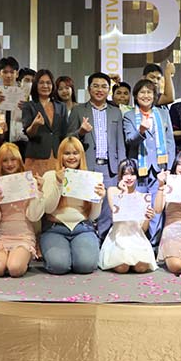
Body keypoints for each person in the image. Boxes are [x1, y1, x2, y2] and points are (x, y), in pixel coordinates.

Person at [68, 72, 126, 240]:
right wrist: (80, 132)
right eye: (96, 86)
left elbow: (120, 143)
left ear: (109, 90)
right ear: (89, 89)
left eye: (104, 86)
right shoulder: (78, 110)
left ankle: (104, 243)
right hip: (86, 166)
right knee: (85, 206)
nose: (100, 90)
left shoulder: (116, 112)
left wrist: (122, 170)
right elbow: (67, 139)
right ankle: (87, 240)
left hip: (110, 168)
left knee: (107, 209)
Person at [40, 137, 105, 274]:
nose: (71, 157)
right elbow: (48, 209)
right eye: (67, 153)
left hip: (83, 228)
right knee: (59, 266)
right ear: (60, 156)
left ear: (81, 156)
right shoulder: (50, 176)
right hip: (55, 228)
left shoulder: (89, 178)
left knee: (85, 265)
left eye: (75, 153)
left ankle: (75, 254)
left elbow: (93, 216)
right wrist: (59, 183)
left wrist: (98, 199)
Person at [122, 78, 176, 244]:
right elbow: (129, 141)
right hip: (138, 169)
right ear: (135, 96)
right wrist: (141, 130)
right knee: (138, 207)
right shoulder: (129, 116)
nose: (146, 96)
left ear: (154, 95)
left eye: (149, 92)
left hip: (159, 169)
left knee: (156, 208)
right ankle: (137, 242)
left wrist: (169, 167)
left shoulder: (163, 113)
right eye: (142, 92)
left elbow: (170, 141)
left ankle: (153, 244)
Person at [0, 143, 45, 277]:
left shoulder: (29, 182)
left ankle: (23, 256)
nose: (9, 164)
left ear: (19, 160)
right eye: (5, 160)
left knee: (15, 269)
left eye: (13, 159)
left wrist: (39, 191)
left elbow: (34, 216)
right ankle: (9, 257)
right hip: (1, 236)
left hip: (23, 236)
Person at [98, 159, 157, 273]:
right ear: (120, 176)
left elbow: (143, 229)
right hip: (119, 236)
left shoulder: (142, 197)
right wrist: (124, 193)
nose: (129, 178)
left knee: (141, 268)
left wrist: (147, 218)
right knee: (122, 268)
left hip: (136, 236)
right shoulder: (113, 191)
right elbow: (117, 215)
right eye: (125, 174)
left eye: (132, 174)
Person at [22, 69, 67, 176]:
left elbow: (64, 133)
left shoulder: (61, 106)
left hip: (57, 156)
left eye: (48, 83)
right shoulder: (29, 106)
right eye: (41, 82)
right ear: (35, 85)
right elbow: (29, 133)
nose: (45, 86)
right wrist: (35, 124)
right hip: (36, 157)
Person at [0, 56, 28, 157]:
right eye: (5, 72)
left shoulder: (24, 96)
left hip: (19, 141)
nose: (8, 75)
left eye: (12, 72)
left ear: (17, 74)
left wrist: (26, 108)